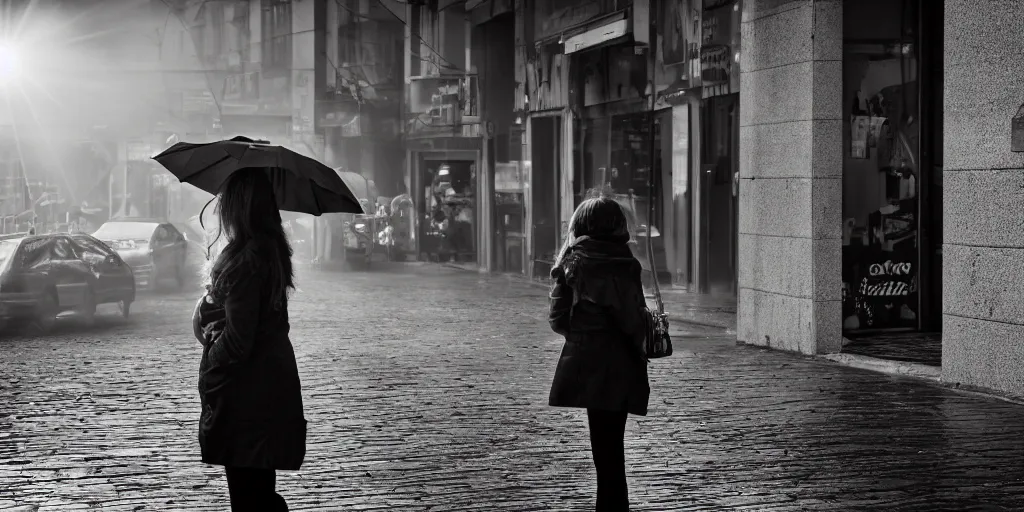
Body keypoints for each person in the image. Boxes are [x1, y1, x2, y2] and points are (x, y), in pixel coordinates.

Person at [191, 170, 307, 511]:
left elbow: (239, 339)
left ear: (239, 206)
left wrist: (211, 358)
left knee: (247, 497)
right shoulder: (267, 251)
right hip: (264, 391)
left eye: (226, 199)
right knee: (258, 491)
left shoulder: (247, 261)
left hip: (246, 397)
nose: (221, 206)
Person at [547, 196, 650, 512]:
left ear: (580, 224)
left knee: (603, 451)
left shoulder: (572, 261)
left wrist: (583, 334)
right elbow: (633, 319)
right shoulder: (627, 263)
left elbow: (557, 318)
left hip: (588, 365)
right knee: (613, 449)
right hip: (621, 365)